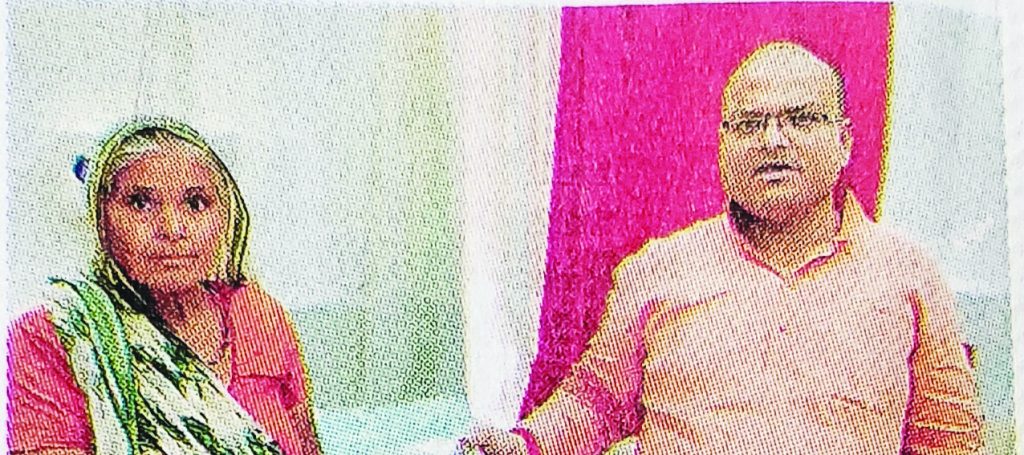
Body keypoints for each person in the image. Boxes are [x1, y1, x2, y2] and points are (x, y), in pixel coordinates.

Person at [462, 41, 982, 454]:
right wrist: (525, 447)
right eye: (750, 124)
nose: (773, 140)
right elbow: (595, 404)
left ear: (844, 142)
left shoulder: (907, 273)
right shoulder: (658, 270)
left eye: (801, 119)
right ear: (723, 147)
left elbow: (948, 440)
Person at [6, 119, 322, 455]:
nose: (172, 229)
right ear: (101, 218)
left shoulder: (258, 314)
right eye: (140, 203)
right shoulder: (53, 335)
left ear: (225, 216)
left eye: (196, 203)